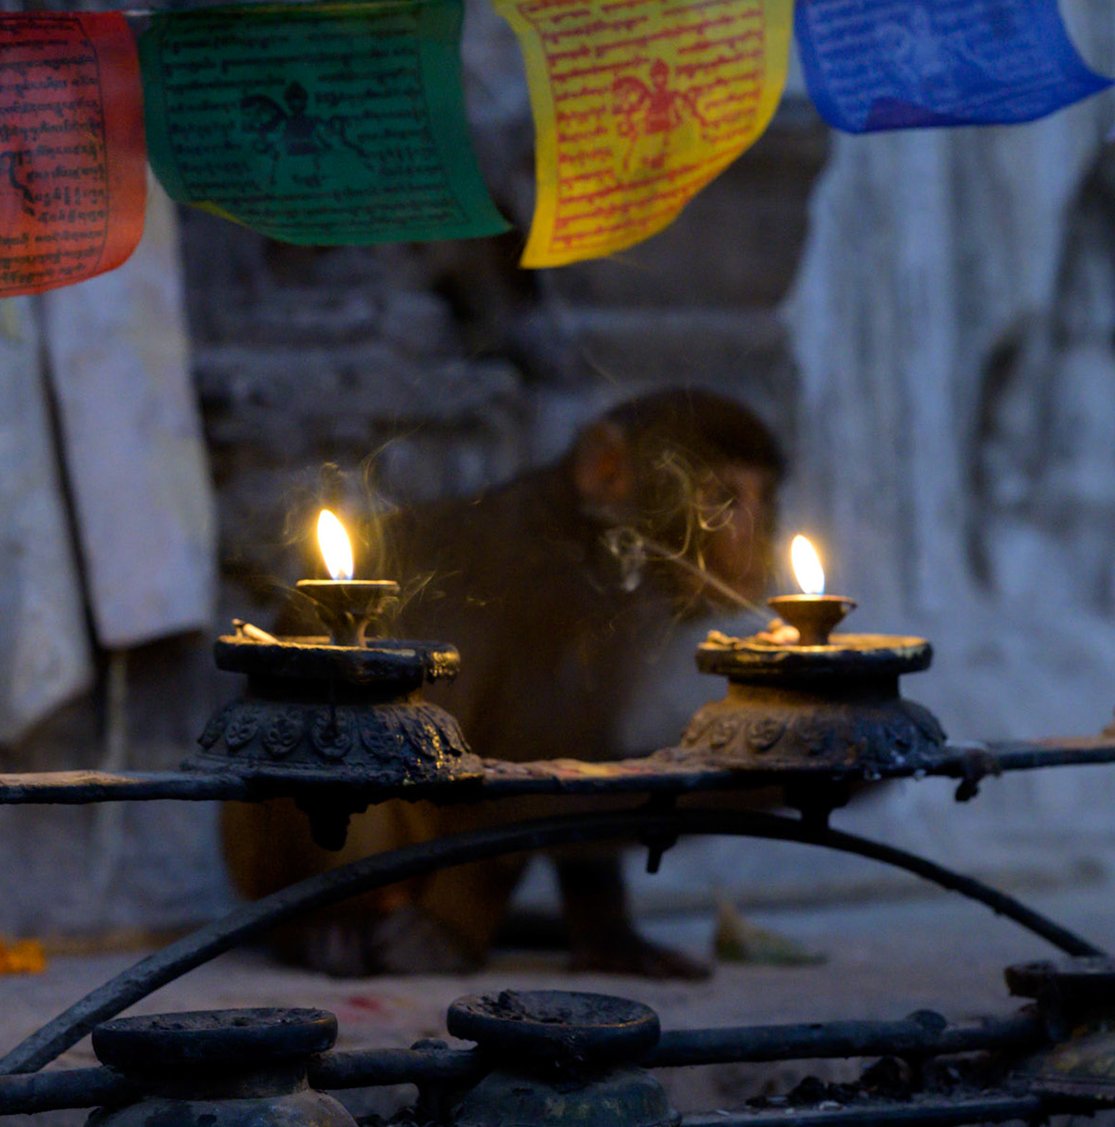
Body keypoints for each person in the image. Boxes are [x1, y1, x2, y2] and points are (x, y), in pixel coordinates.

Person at [220, 388, 786, 978]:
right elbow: (531, 789)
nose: (752, 535)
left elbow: (565, 762)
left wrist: (602, 928)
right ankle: (374, 918)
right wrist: (759, 778)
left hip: (400, 827)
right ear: (607, 470)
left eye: (763, 501)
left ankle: (379, 918)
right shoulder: (550, 570)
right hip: (331, 840)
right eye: (723, 499)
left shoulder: (594, 572)